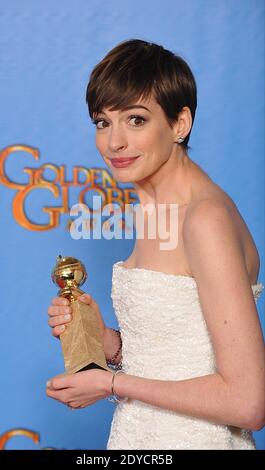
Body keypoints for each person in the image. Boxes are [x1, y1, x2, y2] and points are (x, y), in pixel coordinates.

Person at [46, 39, 265, 449]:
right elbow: (181, 353)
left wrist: (112, 384)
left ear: (180, 124)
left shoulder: (204, 218)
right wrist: (105, 343)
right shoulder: (154, 208)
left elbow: (247, 401)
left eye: (136, 120)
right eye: (102, 122)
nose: (114, 143)